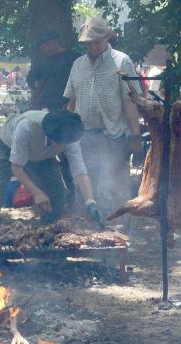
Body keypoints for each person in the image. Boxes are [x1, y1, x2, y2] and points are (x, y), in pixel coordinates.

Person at [63, 15, 143, 219]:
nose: (92, 46)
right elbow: (71, 102)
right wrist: (65, 132)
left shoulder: (121, 61)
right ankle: (86, 231)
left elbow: (130, 101)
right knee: (84, 185)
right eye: (88, 42)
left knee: (115, 188)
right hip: (83, 136)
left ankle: (119, 231)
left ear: (107, 38)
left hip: (114, 136)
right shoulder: (77, 64)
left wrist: (135, 135)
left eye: (96, 41)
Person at [0, 109, 103, 226]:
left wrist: (90, 201)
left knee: (57, 194)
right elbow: (16, 167)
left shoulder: (69, 136)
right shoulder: (26, 127)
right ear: (53, 138)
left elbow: (79, 169)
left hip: (43, 156)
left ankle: (48, 230)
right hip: (7, 148)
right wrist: (37, 193)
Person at [27, 31, 81, 111]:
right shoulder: (43, 61)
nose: (47, 49)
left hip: (65, 104)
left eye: (48, 45)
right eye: (43, 47)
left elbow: (81, 81)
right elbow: (31, 77)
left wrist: (71, 102)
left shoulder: (73, 57)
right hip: (44, 105)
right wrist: (36, 83)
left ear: (55, 41)